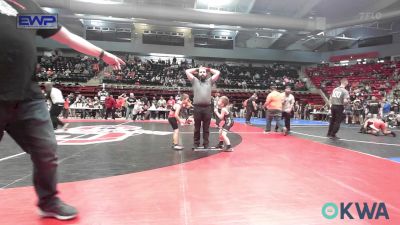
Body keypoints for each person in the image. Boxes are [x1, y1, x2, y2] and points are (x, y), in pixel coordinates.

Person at [0, 0, 124, 220]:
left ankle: (49, 201)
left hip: (27, 96)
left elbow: (65, 36)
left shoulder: (25, 8)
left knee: (46, 150)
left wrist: (102, 54)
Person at [185, 66, 221, 149]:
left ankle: (206, 144)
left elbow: (217, 72)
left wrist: (207, 69)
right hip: (197, 108)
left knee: (206, 128)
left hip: (207, 108)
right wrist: (198, 69)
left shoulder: (210, 81)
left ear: (206, 74)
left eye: (204, 72)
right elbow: (187, 71)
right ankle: (196, 143)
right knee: (197, 127)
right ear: (198, 73)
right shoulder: (195, 81)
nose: (202, 73)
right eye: (200, 72)